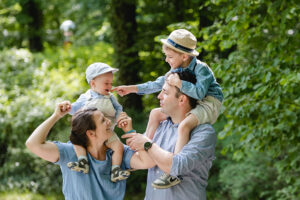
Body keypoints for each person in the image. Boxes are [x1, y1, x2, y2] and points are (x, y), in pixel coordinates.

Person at [113, 28, 223, 188]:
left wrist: (179, 83)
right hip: (190, 100)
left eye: (170, 56)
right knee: (155, 114)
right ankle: (140, 150)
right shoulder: (176, 69)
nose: (166, 60)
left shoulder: (201, 69)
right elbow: (157, 84)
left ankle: (173, 174)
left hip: (208, 103)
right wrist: (132, 88)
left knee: (184, 125)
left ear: (184, 56)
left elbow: (199, 93)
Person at [25, 102, 154, 200]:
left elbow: (147, 162)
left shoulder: (118, 153)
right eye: (103, 120)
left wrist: (130, 132)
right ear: (91, 133)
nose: (109, 122)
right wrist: (56, 116)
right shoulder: (71, 152)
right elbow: (33, 144)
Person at [122, 70, 217, 200]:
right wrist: (127, 132)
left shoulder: (203, 133)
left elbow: (177, 166)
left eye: (165, 92)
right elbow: (136, 158)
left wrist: (147, 144)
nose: (159, 96)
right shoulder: (159, 126)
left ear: (182, 99)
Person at [67, 62, 129, 182]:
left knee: (118, 146)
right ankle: (82, 161)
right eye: (106, 83)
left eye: (111, 83)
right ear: (93, 83)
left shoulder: (110, 97)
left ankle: (115, 170)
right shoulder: (86, 97)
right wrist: (68, 107)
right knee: (76, 141)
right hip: (89, 132)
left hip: (107, 131)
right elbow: (75, 108)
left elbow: (118, 109)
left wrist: (119, 118)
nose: (110, 86)